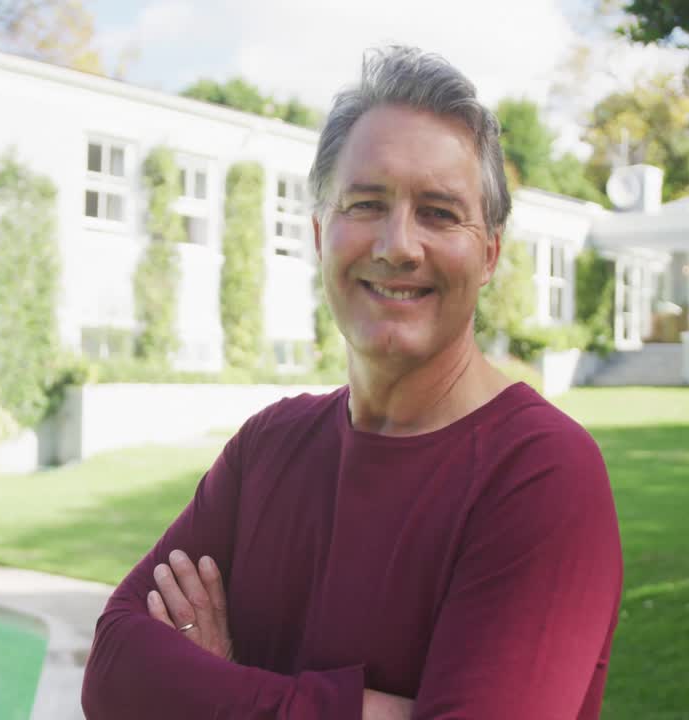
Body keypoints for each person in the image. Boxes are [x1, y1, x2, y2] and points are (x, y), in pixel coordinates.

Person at [81, 46, 623, 719]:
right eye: (366, 204)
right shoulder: (266, 449)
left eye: (439, 212)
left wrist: (212, 688)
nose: (398, 245)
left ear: (489, 255)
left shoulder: (539, 473)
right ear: (318, 235)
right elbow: (111, 674)